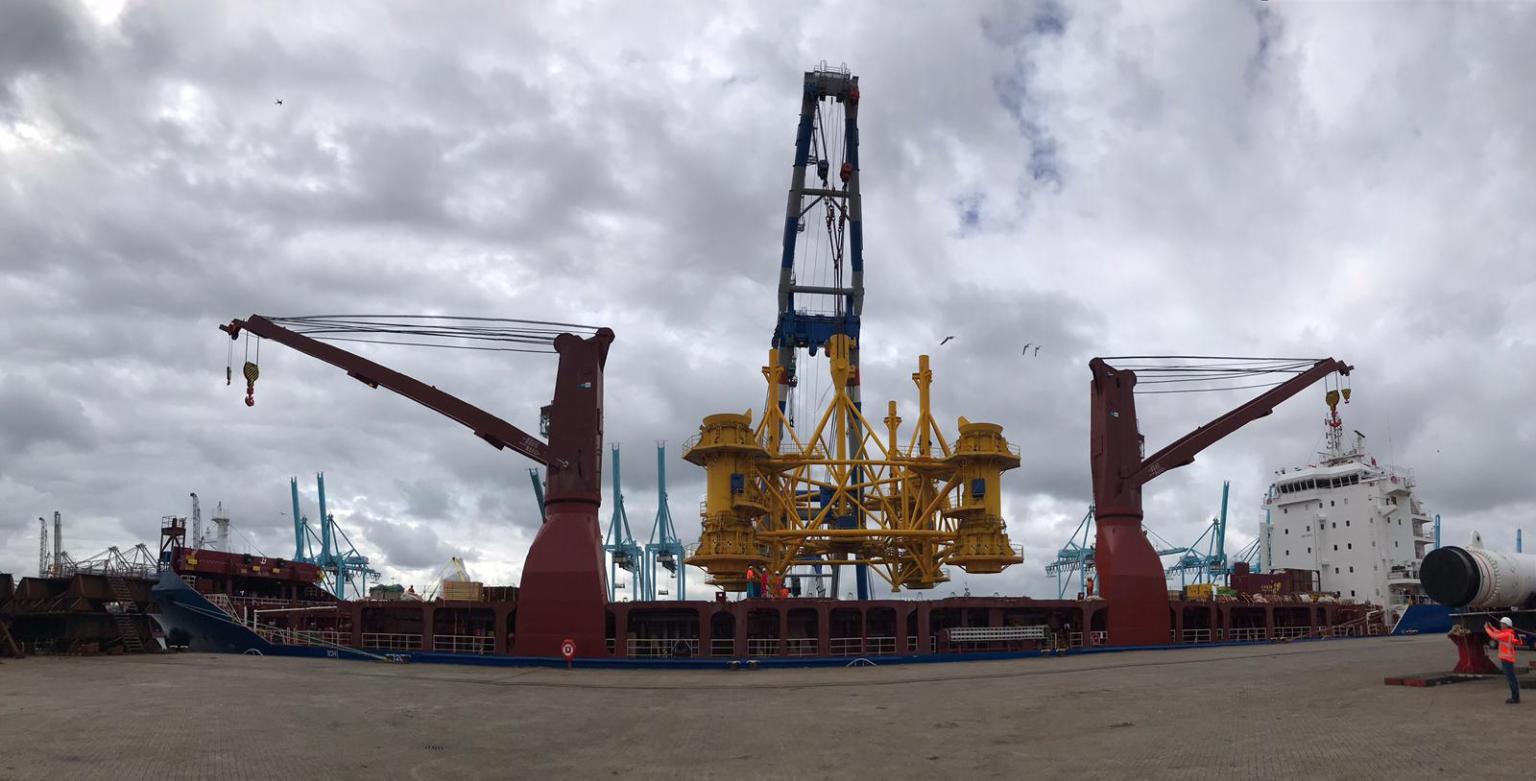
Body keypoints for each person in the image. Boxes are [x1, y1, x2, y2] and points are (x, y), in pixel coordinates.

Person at [1486, 617, 1521, 704]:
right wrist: (1491, 626)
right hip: (1508, 659)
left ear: (1506, 625)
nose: (1500, 625)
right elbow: (1498, 632)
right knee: (1512, 678)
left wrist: (1486, 628)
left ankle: (1515, 698)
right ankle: (1515, 696)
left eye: (1502, 624)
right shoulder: (1508, 633)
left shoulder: (1506, 635)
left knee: (1511, 679)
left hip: (1507, 659)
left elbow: (1494, 636)